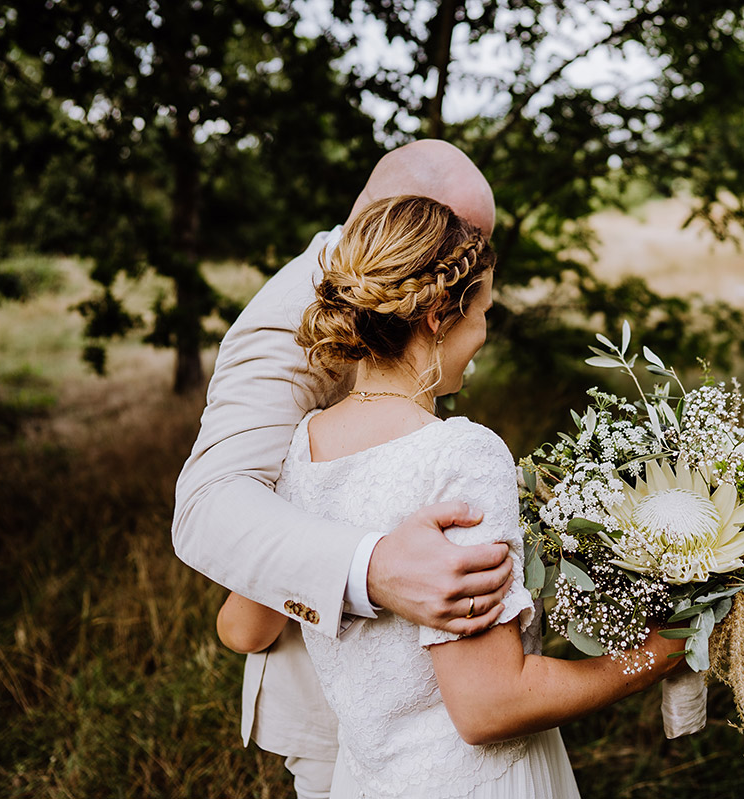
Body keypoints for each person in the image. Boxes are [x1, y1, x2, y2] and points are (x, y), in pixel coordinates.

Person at [216, 194, 686, 798]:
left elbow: (243, 624)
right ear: (439, 314)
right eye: (483, 310)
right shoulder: (460, 454)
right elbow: (490, 707)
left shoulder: (305, 443)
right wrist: (654, 657)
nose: (485, 332)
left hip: (365, 780)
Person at [172, 141, 515, 797]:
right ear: (405, 229)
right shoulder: (284, 319)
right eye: (453, 245)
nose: (462, 267)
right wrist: (373, 567)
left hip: (438, 698)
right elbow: (209, 503)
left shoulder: (409, 352)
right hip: (341, 707)